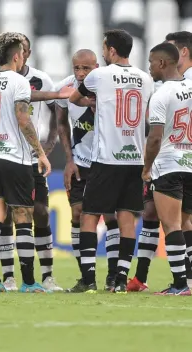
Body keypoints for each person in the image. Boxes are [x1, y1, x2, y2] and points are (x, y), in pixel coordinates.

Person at [0, 34, 67, 292]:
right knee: (22, 216)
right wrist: (40, 151)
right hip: (15, 157)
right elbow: (23, 118)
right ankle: (28, 281)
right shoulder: (19, 81)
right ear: (17, 55)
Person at [68, 29, 154, 293]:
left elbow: (74, 98)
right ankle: (119, 278)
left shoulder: (99, 75)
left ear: (112, 50)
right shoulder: (145, 78)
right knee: (127, 217)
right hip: (134, 158)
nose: (103, 52)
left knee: (89, 216)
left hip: (106, 158)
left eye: (104, 49)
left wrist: (95, 100)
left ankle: (89, 279)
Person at [128, 31, 192, 291]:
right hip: (189, 163)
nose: (149, 67)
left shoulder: (162, 94)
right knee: (186, 223)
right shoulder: (189, 89)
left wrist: (146, 168)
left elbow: (154, 138)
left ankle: (180, 284)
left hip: (168, 165)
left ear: (163, 63)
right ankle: (188, 279)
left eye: (152, 62)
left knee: (171, 226)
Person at [56, 49, 121, 292]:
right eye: (77, 68)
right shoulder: (65, 88)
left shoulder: (108, 85)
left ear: (97, 66)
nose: (81, 73)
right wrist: (69, 160)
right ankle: (86, 275)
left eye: (87, 68)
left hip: (107, 162)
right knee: (77, 214)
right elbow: (61, 123)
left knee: (110, 216)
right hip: (80, 163)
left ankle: (113, 276)